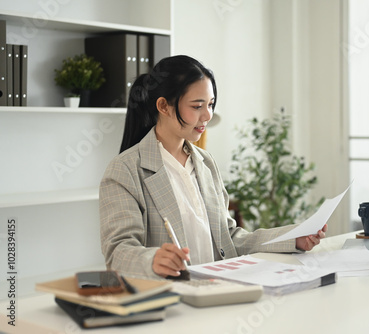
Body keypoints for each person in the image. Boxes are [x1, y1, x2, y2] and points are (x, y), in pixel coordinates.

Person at [99, 55, 327, 279]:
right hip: (172, 299)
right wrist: (153, 260)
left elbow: (229, 238)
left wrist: (293, 237)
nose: (207, 115)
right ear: (163, 106)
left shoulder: (205, 163)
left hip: (218, 292)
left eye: (210, 104)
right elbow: (117, 252)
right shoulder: (125, 170)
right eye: (197, 106)